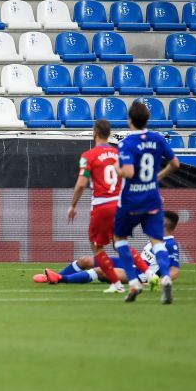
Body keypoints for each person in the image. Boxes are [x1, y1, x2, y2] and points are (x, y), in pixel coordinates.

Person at [112, 101, 180, 303]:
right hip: (152, 198)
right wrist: (157, 177)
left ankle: (133, 283)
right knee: (157, 242)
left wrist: (116, 166)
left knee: (119, 239)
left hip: (131, 200)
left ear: (129, 120)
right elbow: (175, 164)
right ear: (147, 120)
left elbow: (128, 172)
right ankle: (165, 278)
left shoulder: (127, 143)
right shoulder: (157, 139)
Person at [36, 211, 181, 287]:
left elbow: (175, 271)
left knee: (101, 271)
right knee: (84, 260)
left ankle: (61, 279)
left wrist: (162, 282)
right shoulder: (157, 237)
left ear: (163, 225)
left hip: (138, 274)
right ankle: (52, 276)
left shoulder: (170, 245)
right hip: (129, 263)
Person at [65, 119, 124, 293]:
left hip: (103, 205)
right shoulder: (118, 153)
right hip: (121, 205)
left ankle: (116, 282)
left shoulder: (88, 155)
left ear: (94, 133)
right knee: (120, 243)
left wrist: (72, 205)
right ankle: (143, 274)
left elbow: (81, 183)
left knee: (97, 245)